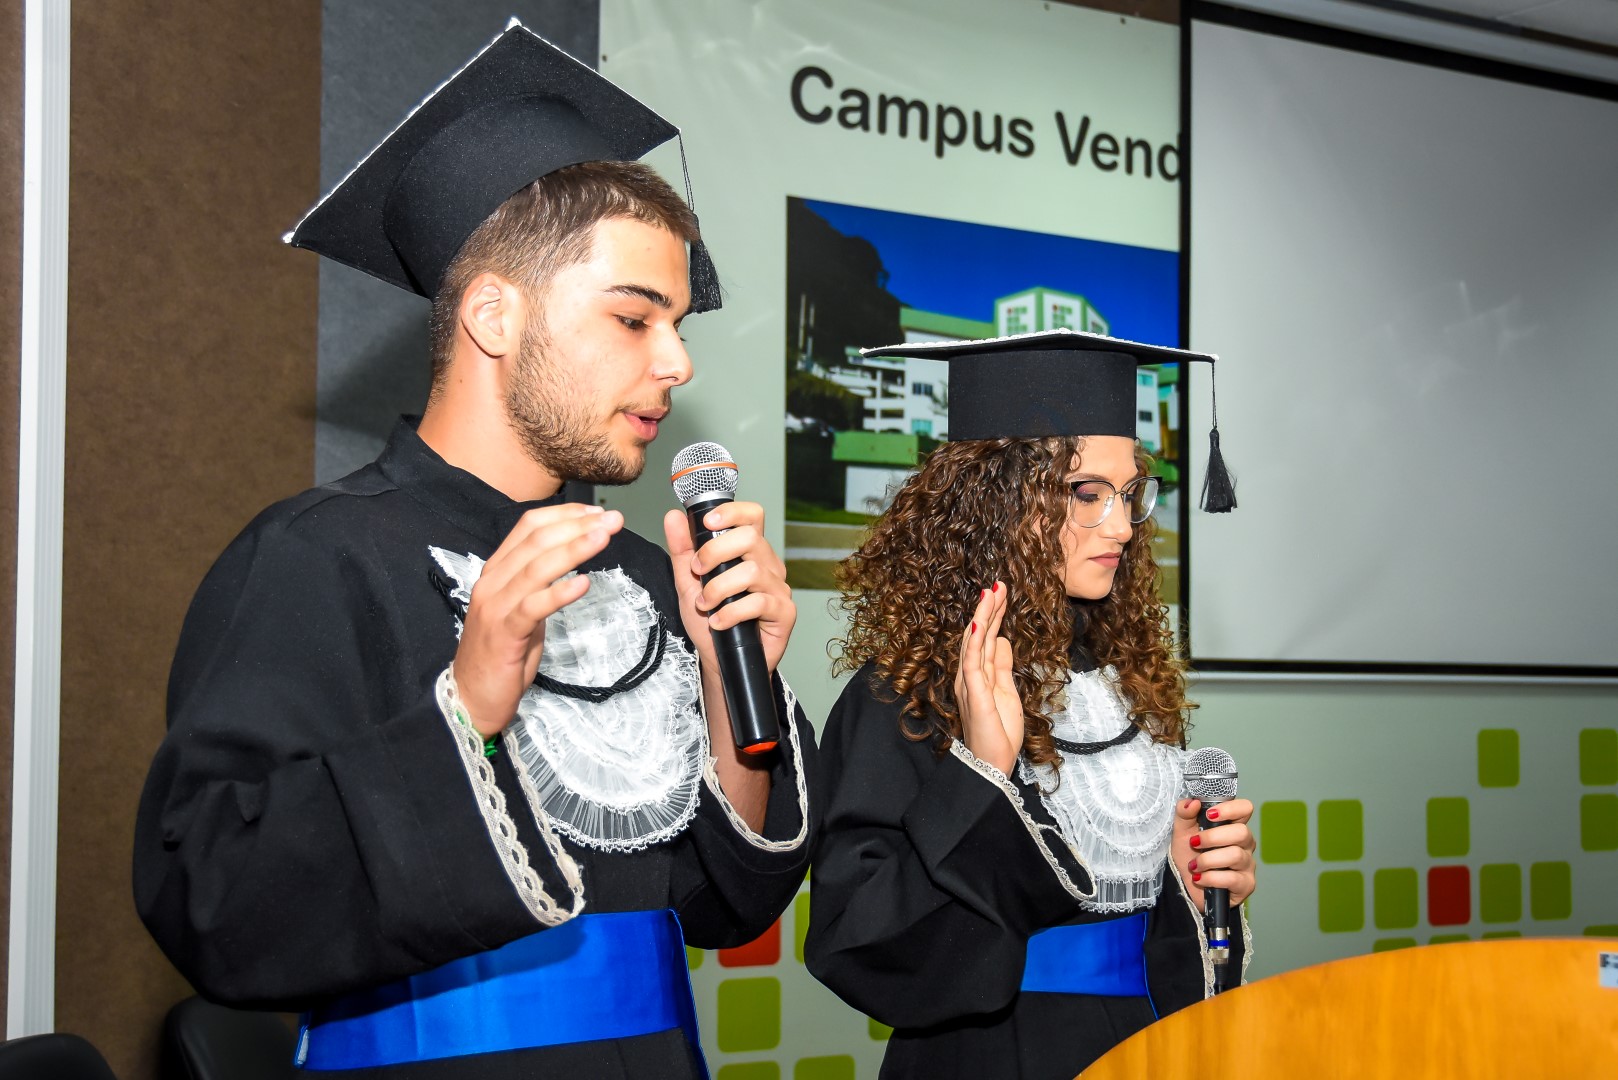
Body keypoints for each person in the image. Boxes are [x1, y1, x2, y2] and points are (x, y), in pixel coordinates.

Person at [133, 22, 814, 1079]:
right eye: (635, 319)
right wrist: (468, 710)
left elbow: (726, 909)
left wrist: (735, 690)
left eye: (678, 324)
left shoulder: (649, 577)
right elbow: (208, 901)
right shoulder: (316, 559)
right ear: (495, 316)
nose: (677, 362)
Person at [803, 329, 1254, 1079]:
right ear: (997, 502)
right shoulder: (904, 694)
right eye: (1086, 494)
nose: (1121, 526)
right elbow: (858, 942)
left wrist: (1189, 882)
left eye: (1129, 494)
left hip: (1143, 1047)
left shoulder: (1126, 682)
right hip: (985, 1056)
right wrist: (981, 772)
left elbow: (1158, 950)